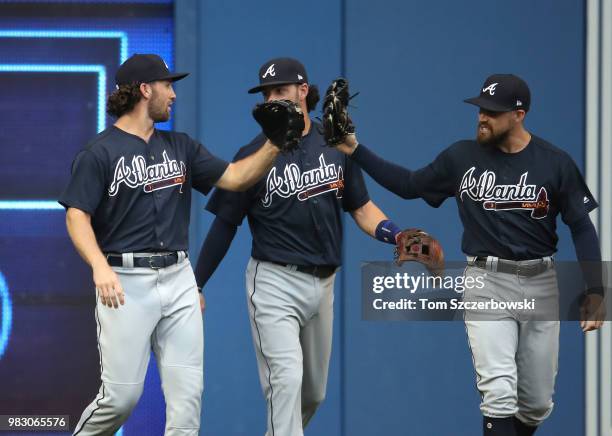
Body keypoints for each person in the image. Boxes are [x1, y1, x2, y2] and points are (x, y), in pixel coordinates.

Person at [332, 74, 605, 436]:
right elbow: (410, 185)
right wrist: (355, 149)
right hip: (486, 282)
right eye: (480, 109)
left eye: (492, 111)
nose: (482, 117)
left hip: (542, 281)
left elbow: (582, 227)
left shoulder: (555, 163)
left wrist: (597, 290)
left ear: (518, 114)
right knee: (498, 394)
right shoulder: (461, 157)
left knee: (537, 403)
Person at [59, 53, 285, 436]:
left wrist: (276, 143)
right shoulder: (100, 152)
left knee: (187, 399)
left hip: (179, 277)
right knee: (121, 399)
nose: (174, 94)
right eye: (167, 85)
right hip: (124, 281)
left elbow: (235, 178)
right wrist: (99, 267)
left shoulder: (180, 145)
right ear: (145, 90)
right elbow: (76, 215)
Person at [194, 57, 407, 436]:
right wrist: (196, 284)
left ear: (304, 91)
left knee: (312, 394)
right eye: (267, 93)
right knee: (286, 381)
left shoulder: (334, 143)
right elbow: (225, 224)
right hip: (274, 281)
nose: (274, 97)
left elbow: (360, 207)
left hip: (323, 283)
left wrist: (397, 235)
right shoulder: (255, 153)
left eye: (281, 90)